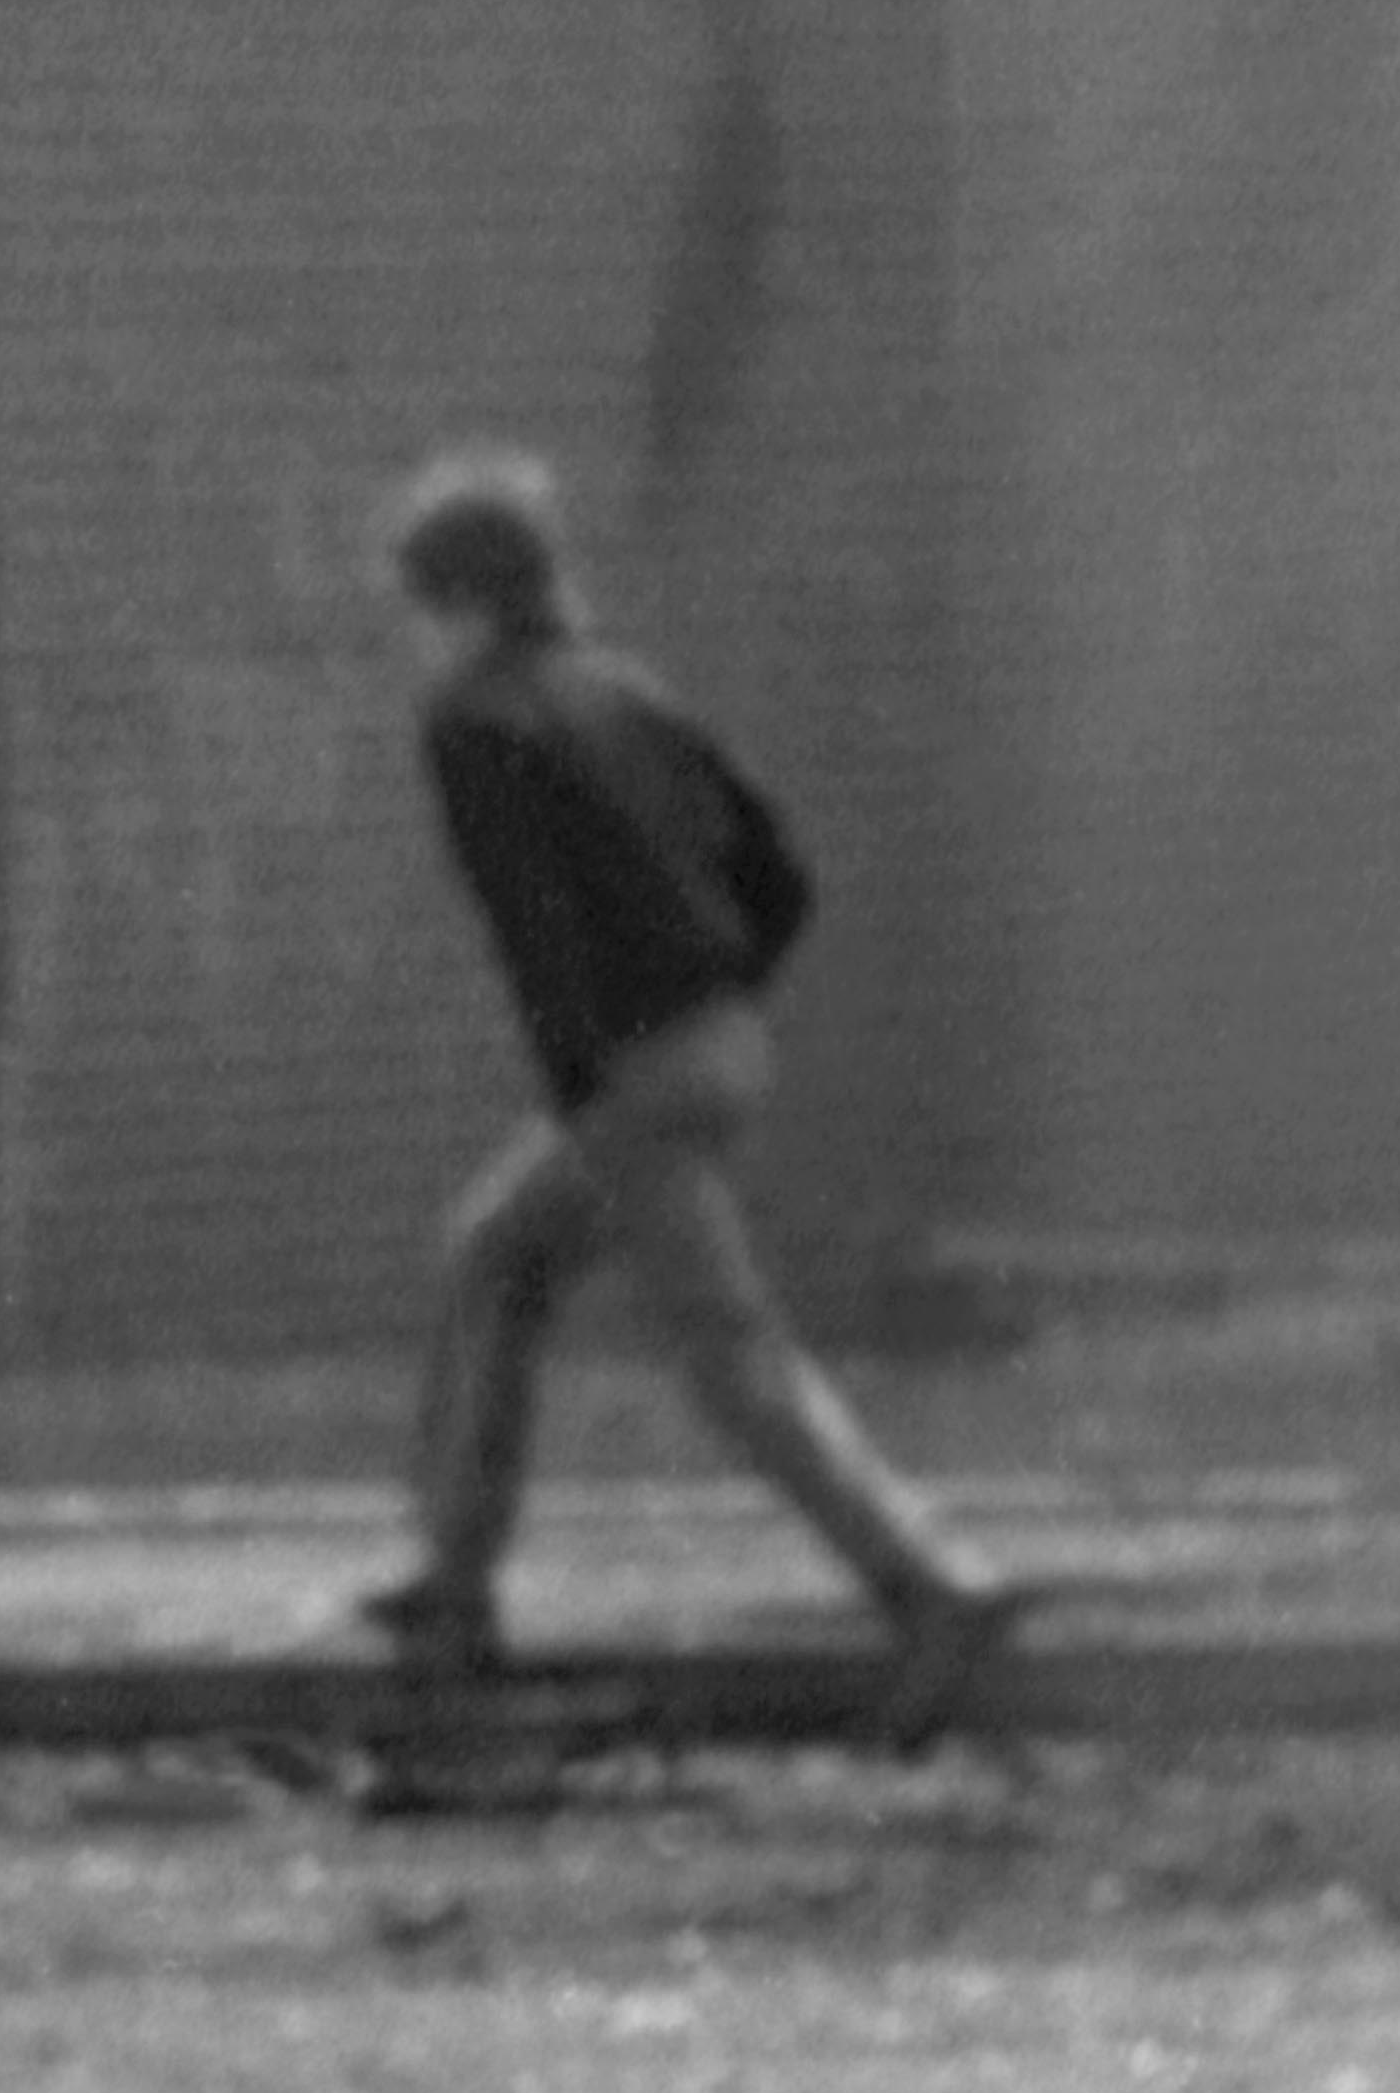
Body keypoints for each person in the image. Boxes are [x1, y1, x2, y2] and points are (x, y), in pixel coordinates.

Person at [354, 448, 1013, 1731]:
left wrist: (586, 1077)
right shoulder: (624, 692)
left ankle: (927, 1582)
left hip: (630, 1072)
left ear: (464, 600)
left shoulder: (477, 723)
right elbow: (780, 869)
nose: (417, 637)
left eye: (421, 607)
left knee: (728, 1351)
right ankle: (451, 1572)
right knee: (495, 1255)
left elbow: (532, 928)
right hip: (720, 1040)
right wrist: (728, 990)